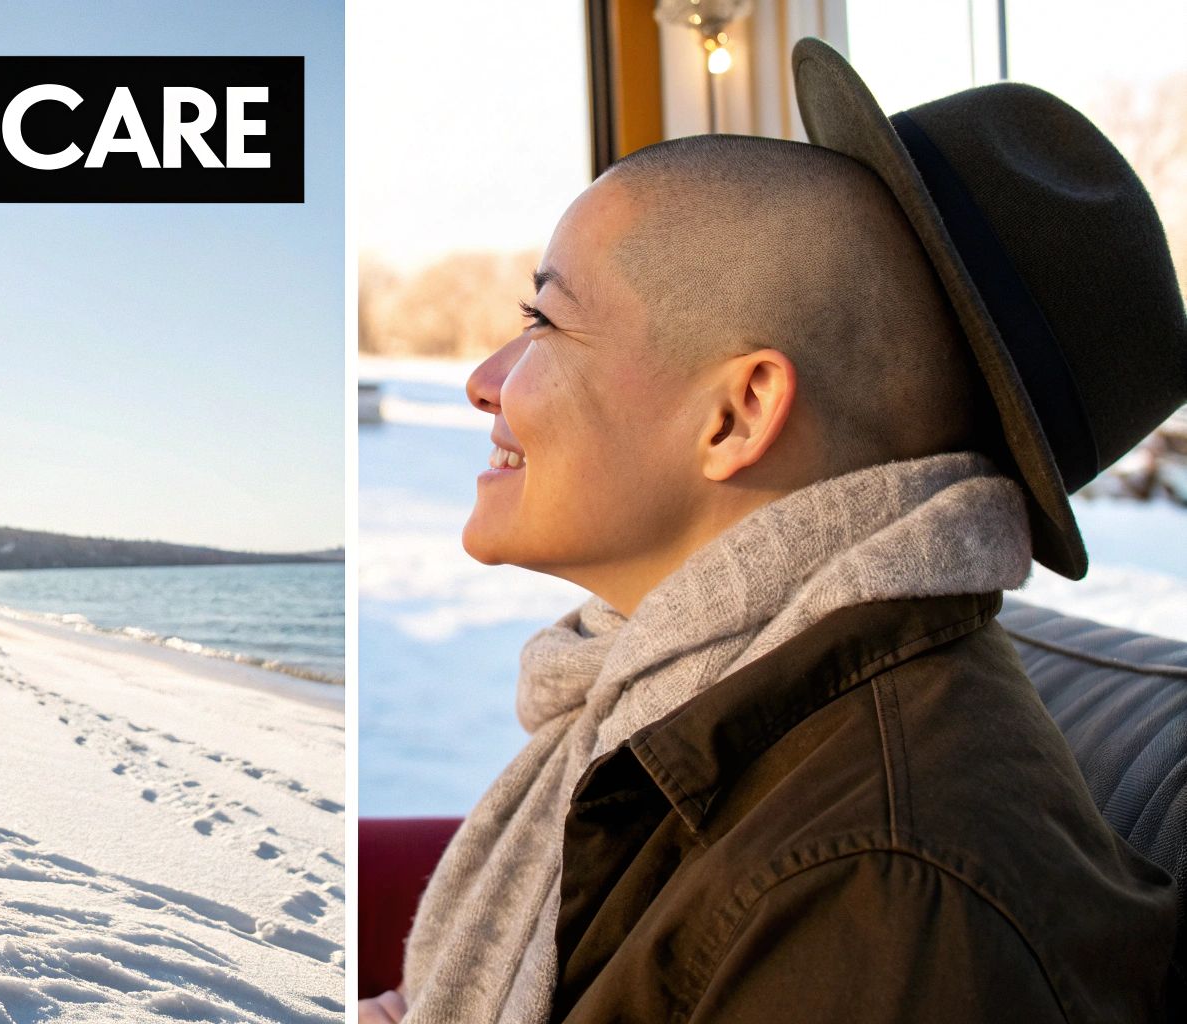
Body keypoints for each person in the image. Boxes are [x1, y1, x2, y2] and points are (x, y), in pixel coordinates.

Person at [362, 38, 1185, 1024]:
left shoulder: (874, 898)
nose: (482, 377)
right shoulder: (684, 709)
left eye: (542, 320)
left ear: (738, 413)